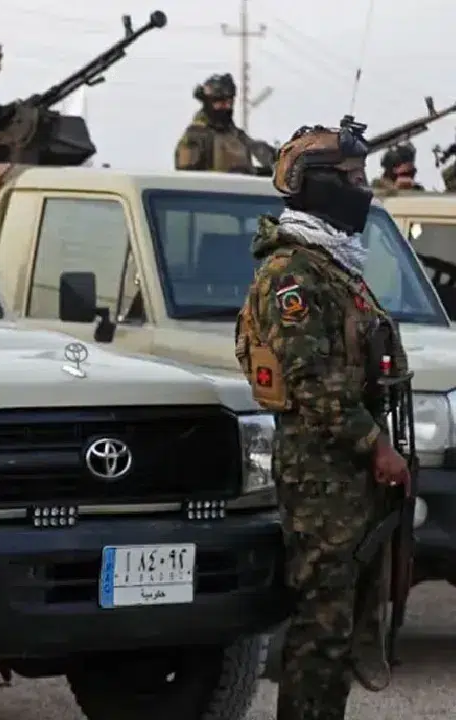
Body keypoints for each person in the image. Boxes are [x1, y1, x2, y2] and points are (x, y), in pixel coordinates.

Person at [235, 117, 413, 720]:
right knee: (323, 627)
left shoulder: (335, 266)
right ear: (319, 185)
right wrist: (376, 446)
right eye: (353, 179)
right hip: (322, 472)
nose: (363, 190)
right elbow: (313, 382)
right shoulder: (292, 274)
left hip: (350, 471)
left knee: (348, 623)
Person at [175, 73, 267, 174]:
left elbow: (257, 152)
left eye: (230, 102)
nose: (227, 107)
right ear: (208, 103)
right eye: (222, 103)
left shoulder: (238, 136)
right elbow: (188, 178)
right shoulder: (196, 135)